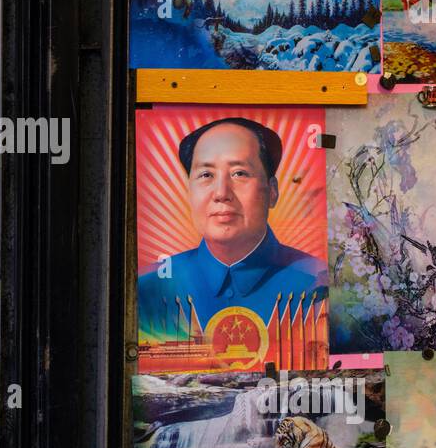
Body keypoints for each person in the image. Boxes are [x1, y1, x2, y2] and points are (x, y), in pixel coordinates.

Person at [136, 117, 326, 338]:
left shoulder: (318, 282)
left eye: (239, 173)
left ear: (272, 191)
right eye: (206, 175)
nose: (221, 193)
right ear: (189, 191)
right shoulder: (149, 289)